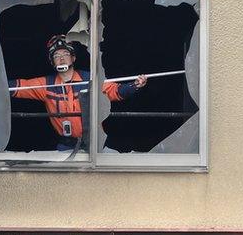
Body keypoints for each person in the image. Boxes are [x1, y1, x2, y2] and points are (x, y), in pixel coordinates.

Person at [9, 34, 147, 151]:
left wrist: (135, 85)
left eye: (65, 54)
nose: (61, 58)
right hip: (65, 146)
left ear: (73, 58)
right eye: (56, 55)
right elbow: (20, 87)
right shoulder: (47, 84)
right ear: (52, 61)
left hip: (94, 144)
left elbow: (115, 91)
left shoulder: (88, 79)